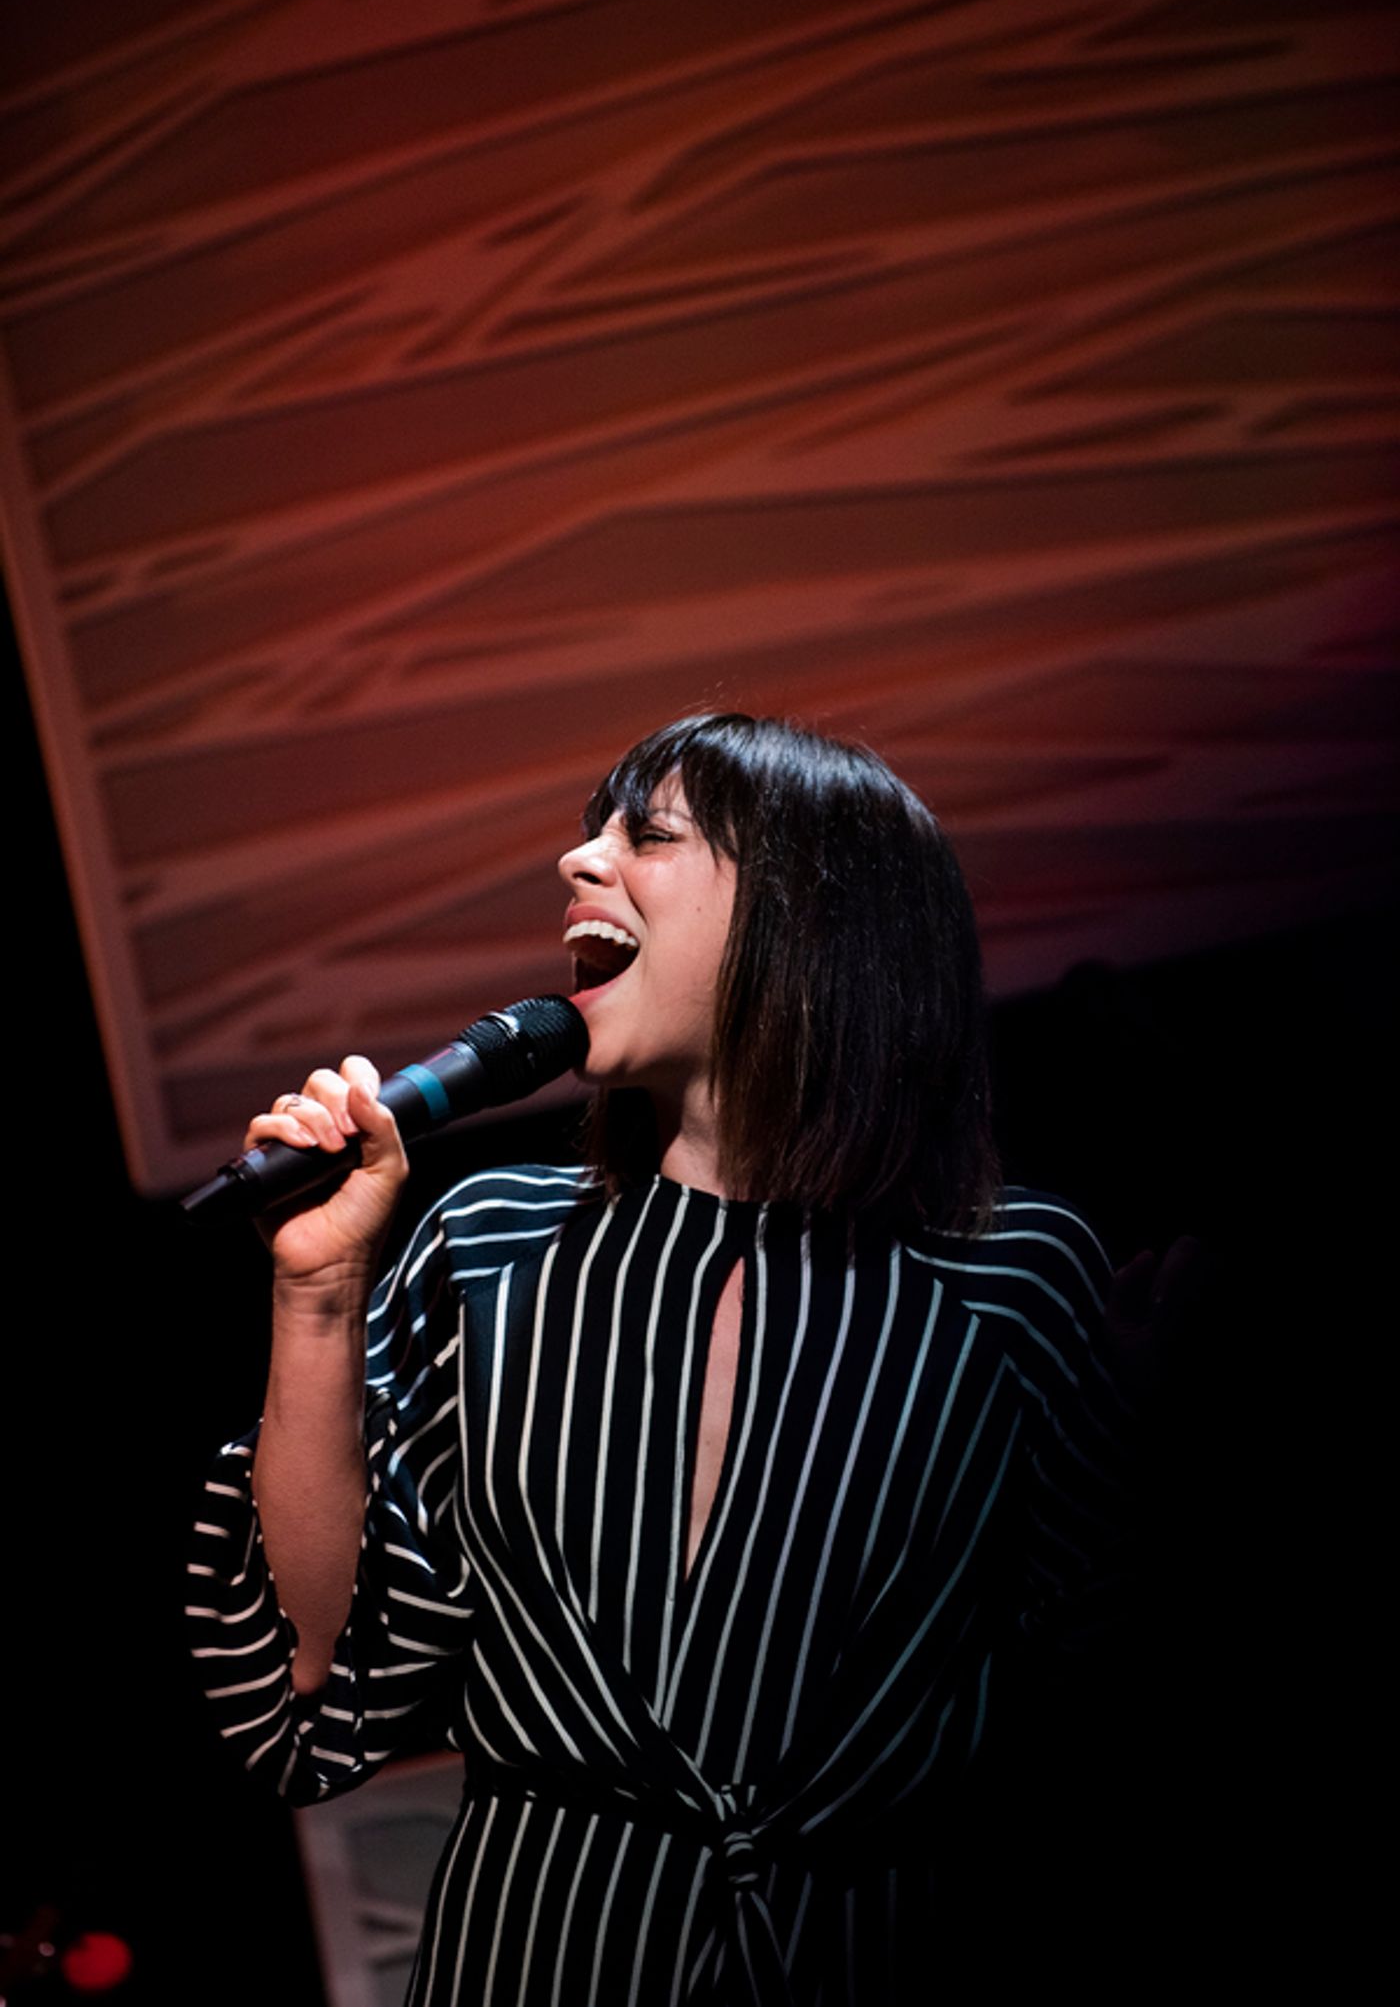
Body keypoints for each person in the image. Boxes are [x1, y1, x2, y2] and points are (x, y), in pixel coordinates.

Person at [188, 713, 1127, 2006]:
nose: (579, 862)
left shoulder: (1012, 1277)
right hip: (539, 1957)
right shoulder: (493, 1241)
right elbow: (316, 1674)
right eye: (590, 831)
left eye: (648, 834)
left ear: (813, 911)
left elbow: (1098, 1703)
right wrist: (314, 1293)